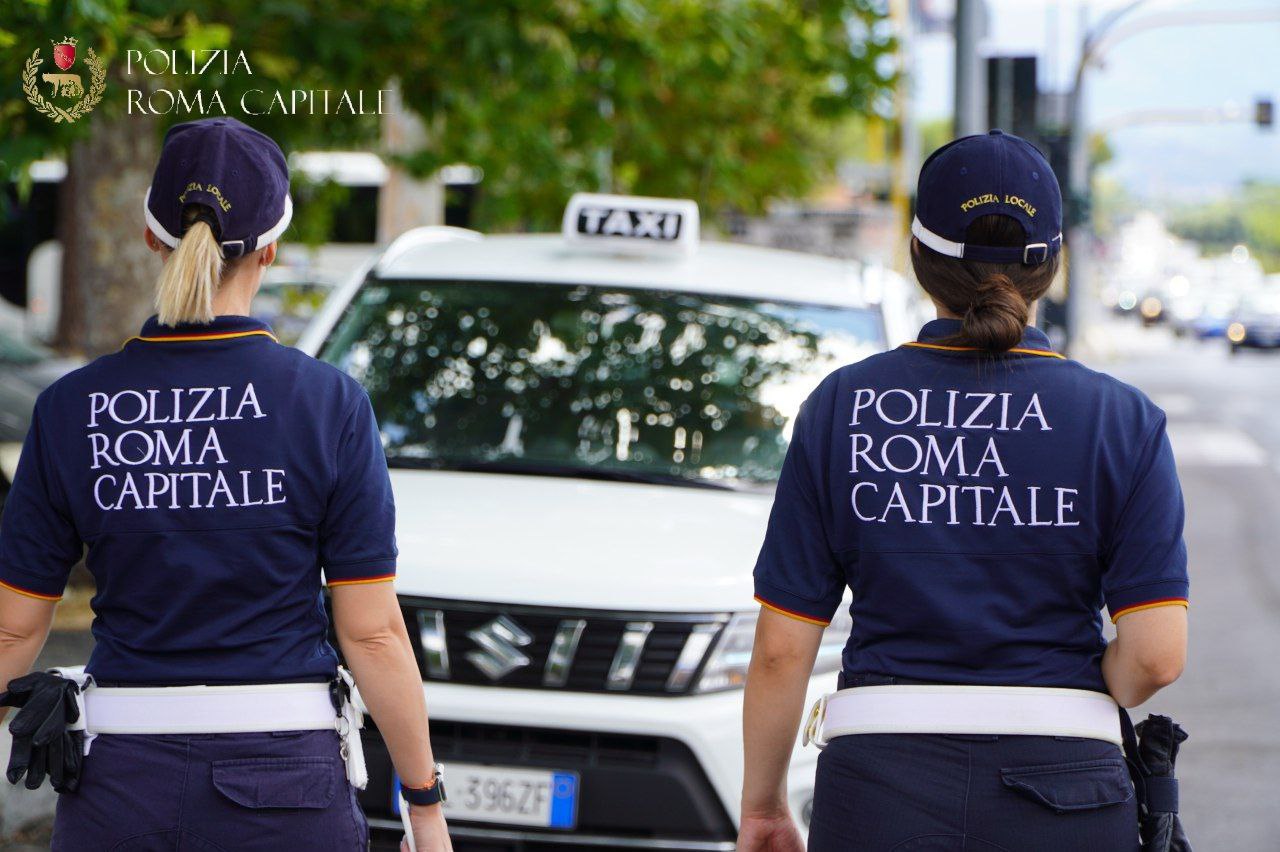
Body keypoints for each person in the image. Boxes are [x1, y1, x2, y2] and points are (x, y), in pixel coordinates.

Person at [0, 117, 451, 851]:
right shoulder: (328, 403)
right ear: (271, 247)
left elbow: (14, 627)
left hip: (120, 787)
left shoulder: (69, 408)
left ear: (152, 236)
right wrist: (424, 805)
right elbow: (371, 631)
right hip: (288, 787)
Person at [738, 129, 1189, 852]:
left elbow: (781, 652)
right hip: (1068, 794)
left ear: (918, 258)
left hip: (878, 789)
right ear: (1055, 264)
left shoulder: (840, 406)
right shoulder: (1122, 420)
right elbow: (1156, 658)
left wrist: (762, 806)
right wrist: (1076, 688)